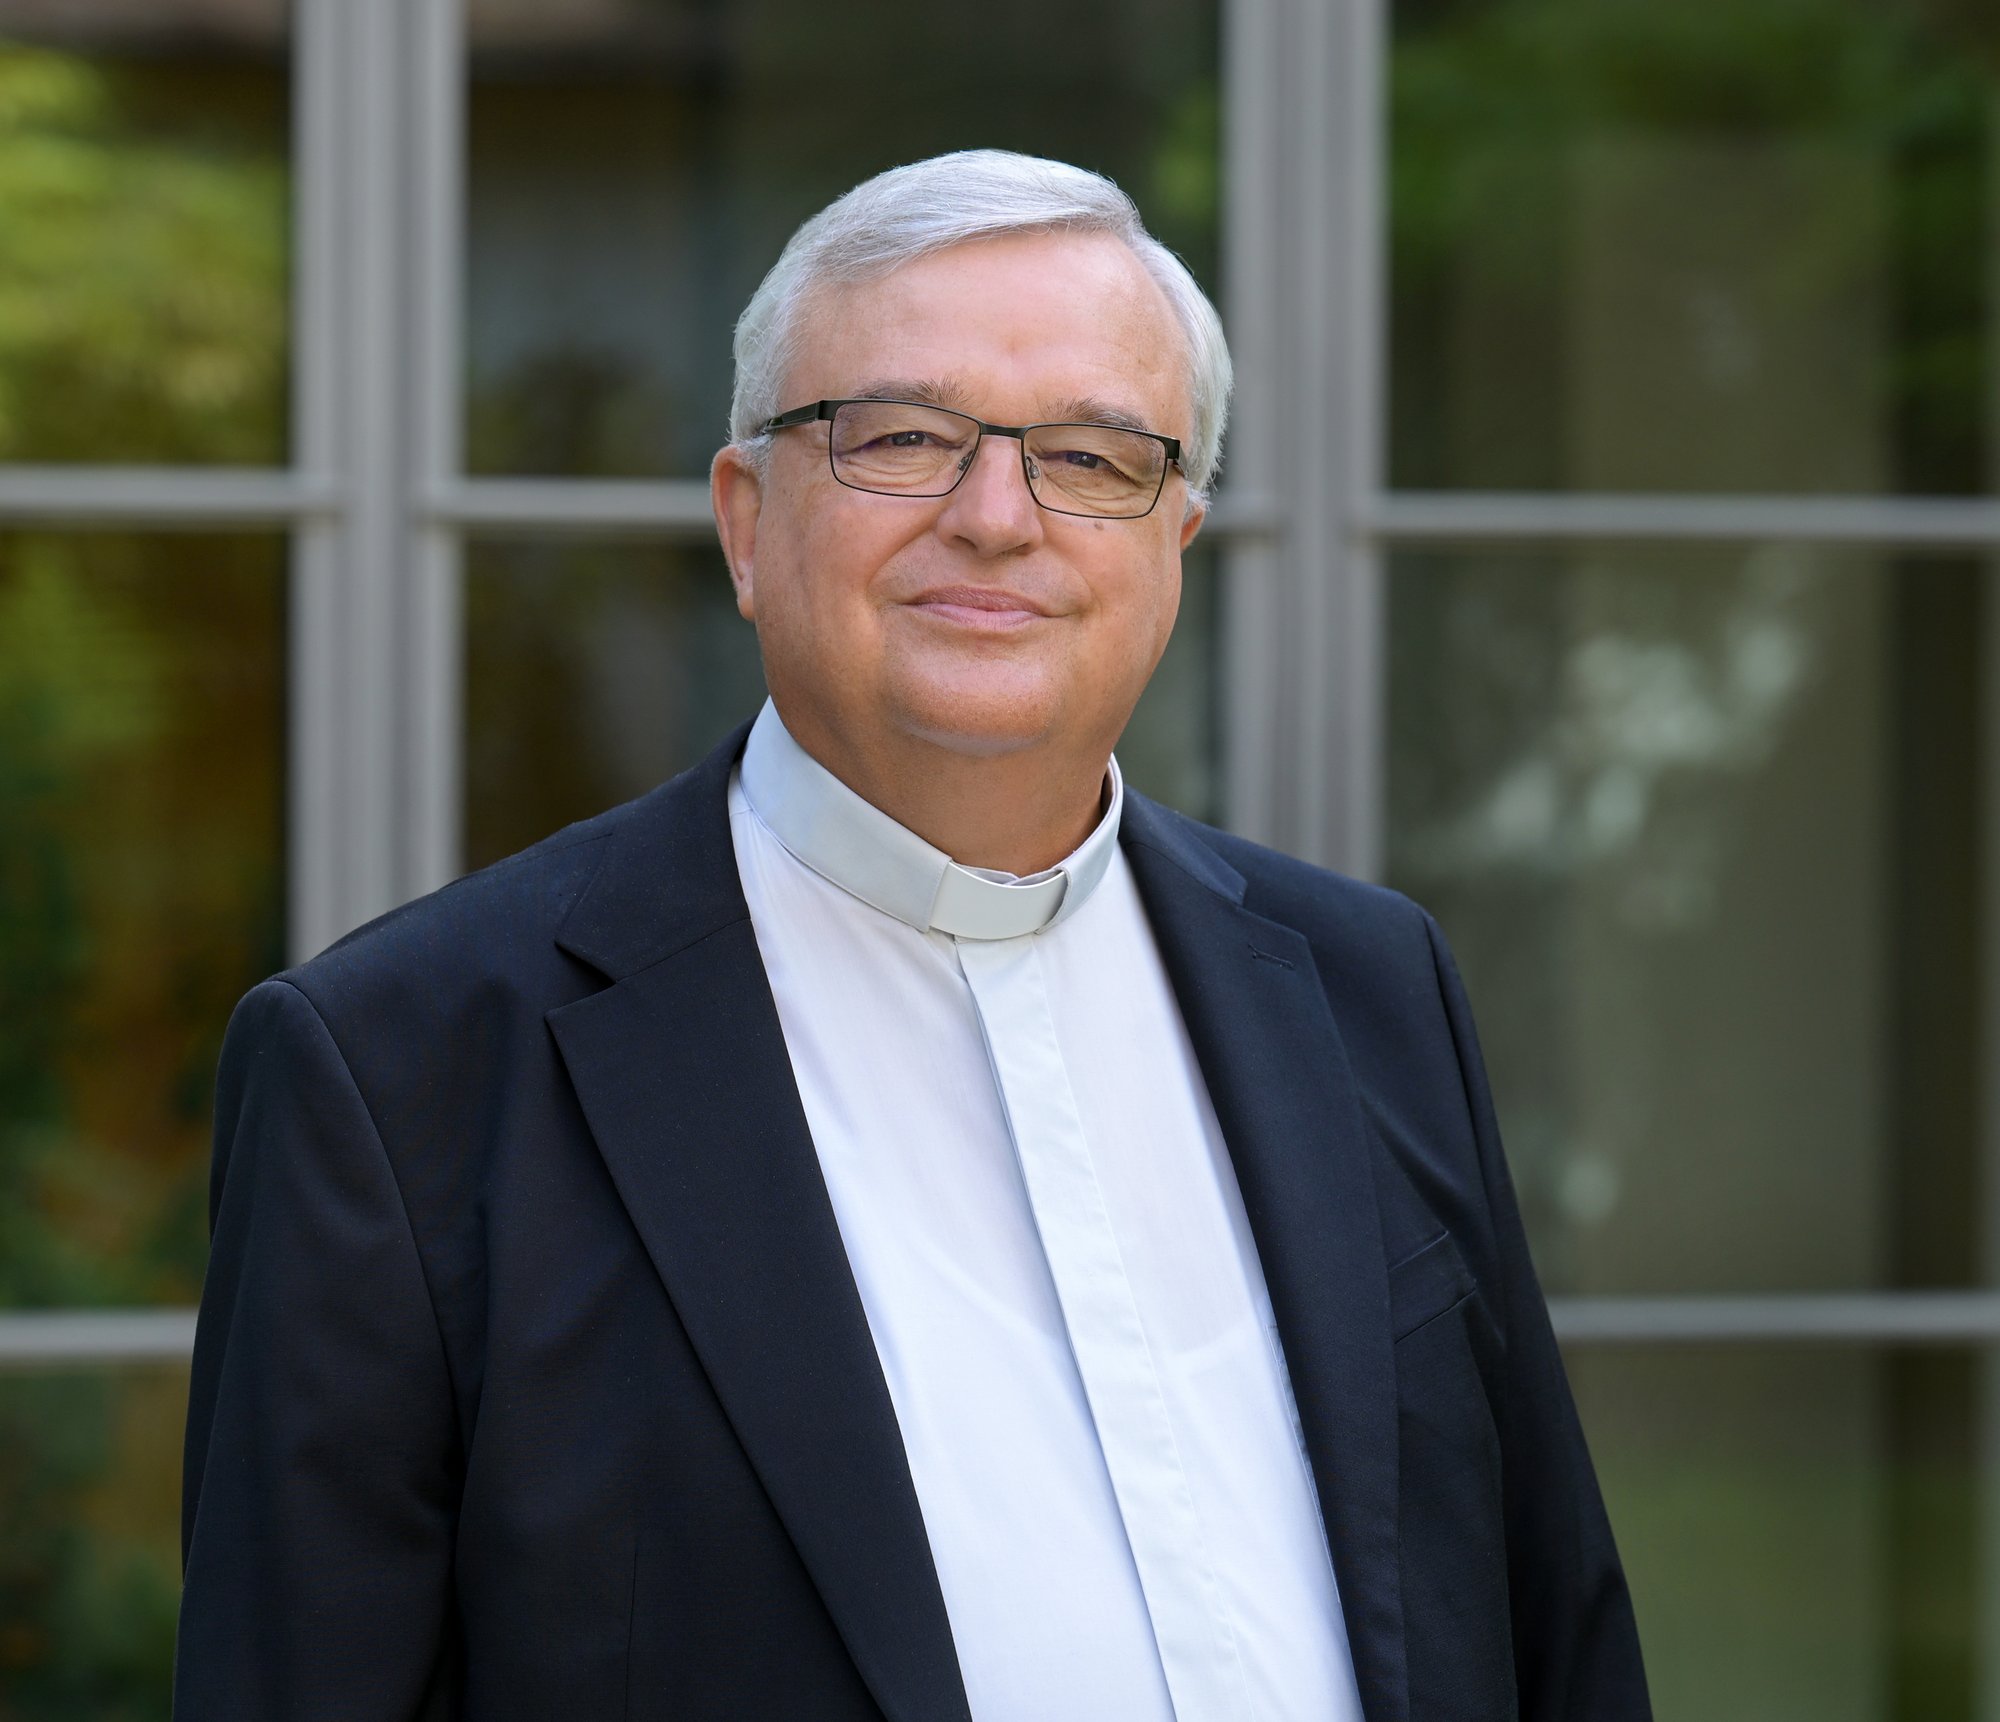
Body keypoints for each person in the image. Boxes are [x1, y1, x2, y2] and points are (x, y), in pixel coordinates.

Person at [175, 150, 1650, 1722]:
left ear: (1175, 543)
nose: (998, 517)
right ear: (747, 522)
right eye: (901, 438)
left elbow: (1551, 1631)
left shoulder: (1370, 986)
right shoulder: (397, 1074)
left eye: (1091, 456)